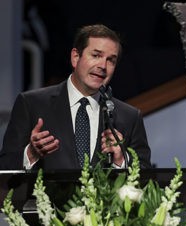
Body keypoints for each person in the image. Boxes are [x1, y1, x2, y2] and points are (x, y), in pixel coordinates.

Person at [0, 24, 151, 171]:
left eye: (111, 60)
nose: (103, 66)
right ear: (75, 57)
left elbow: (147, 180)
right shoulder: (32, 104)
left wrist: (121, 160)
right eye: (96, 55)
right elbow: (5, 166)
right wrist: (31, 154)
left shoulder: (129, 117)